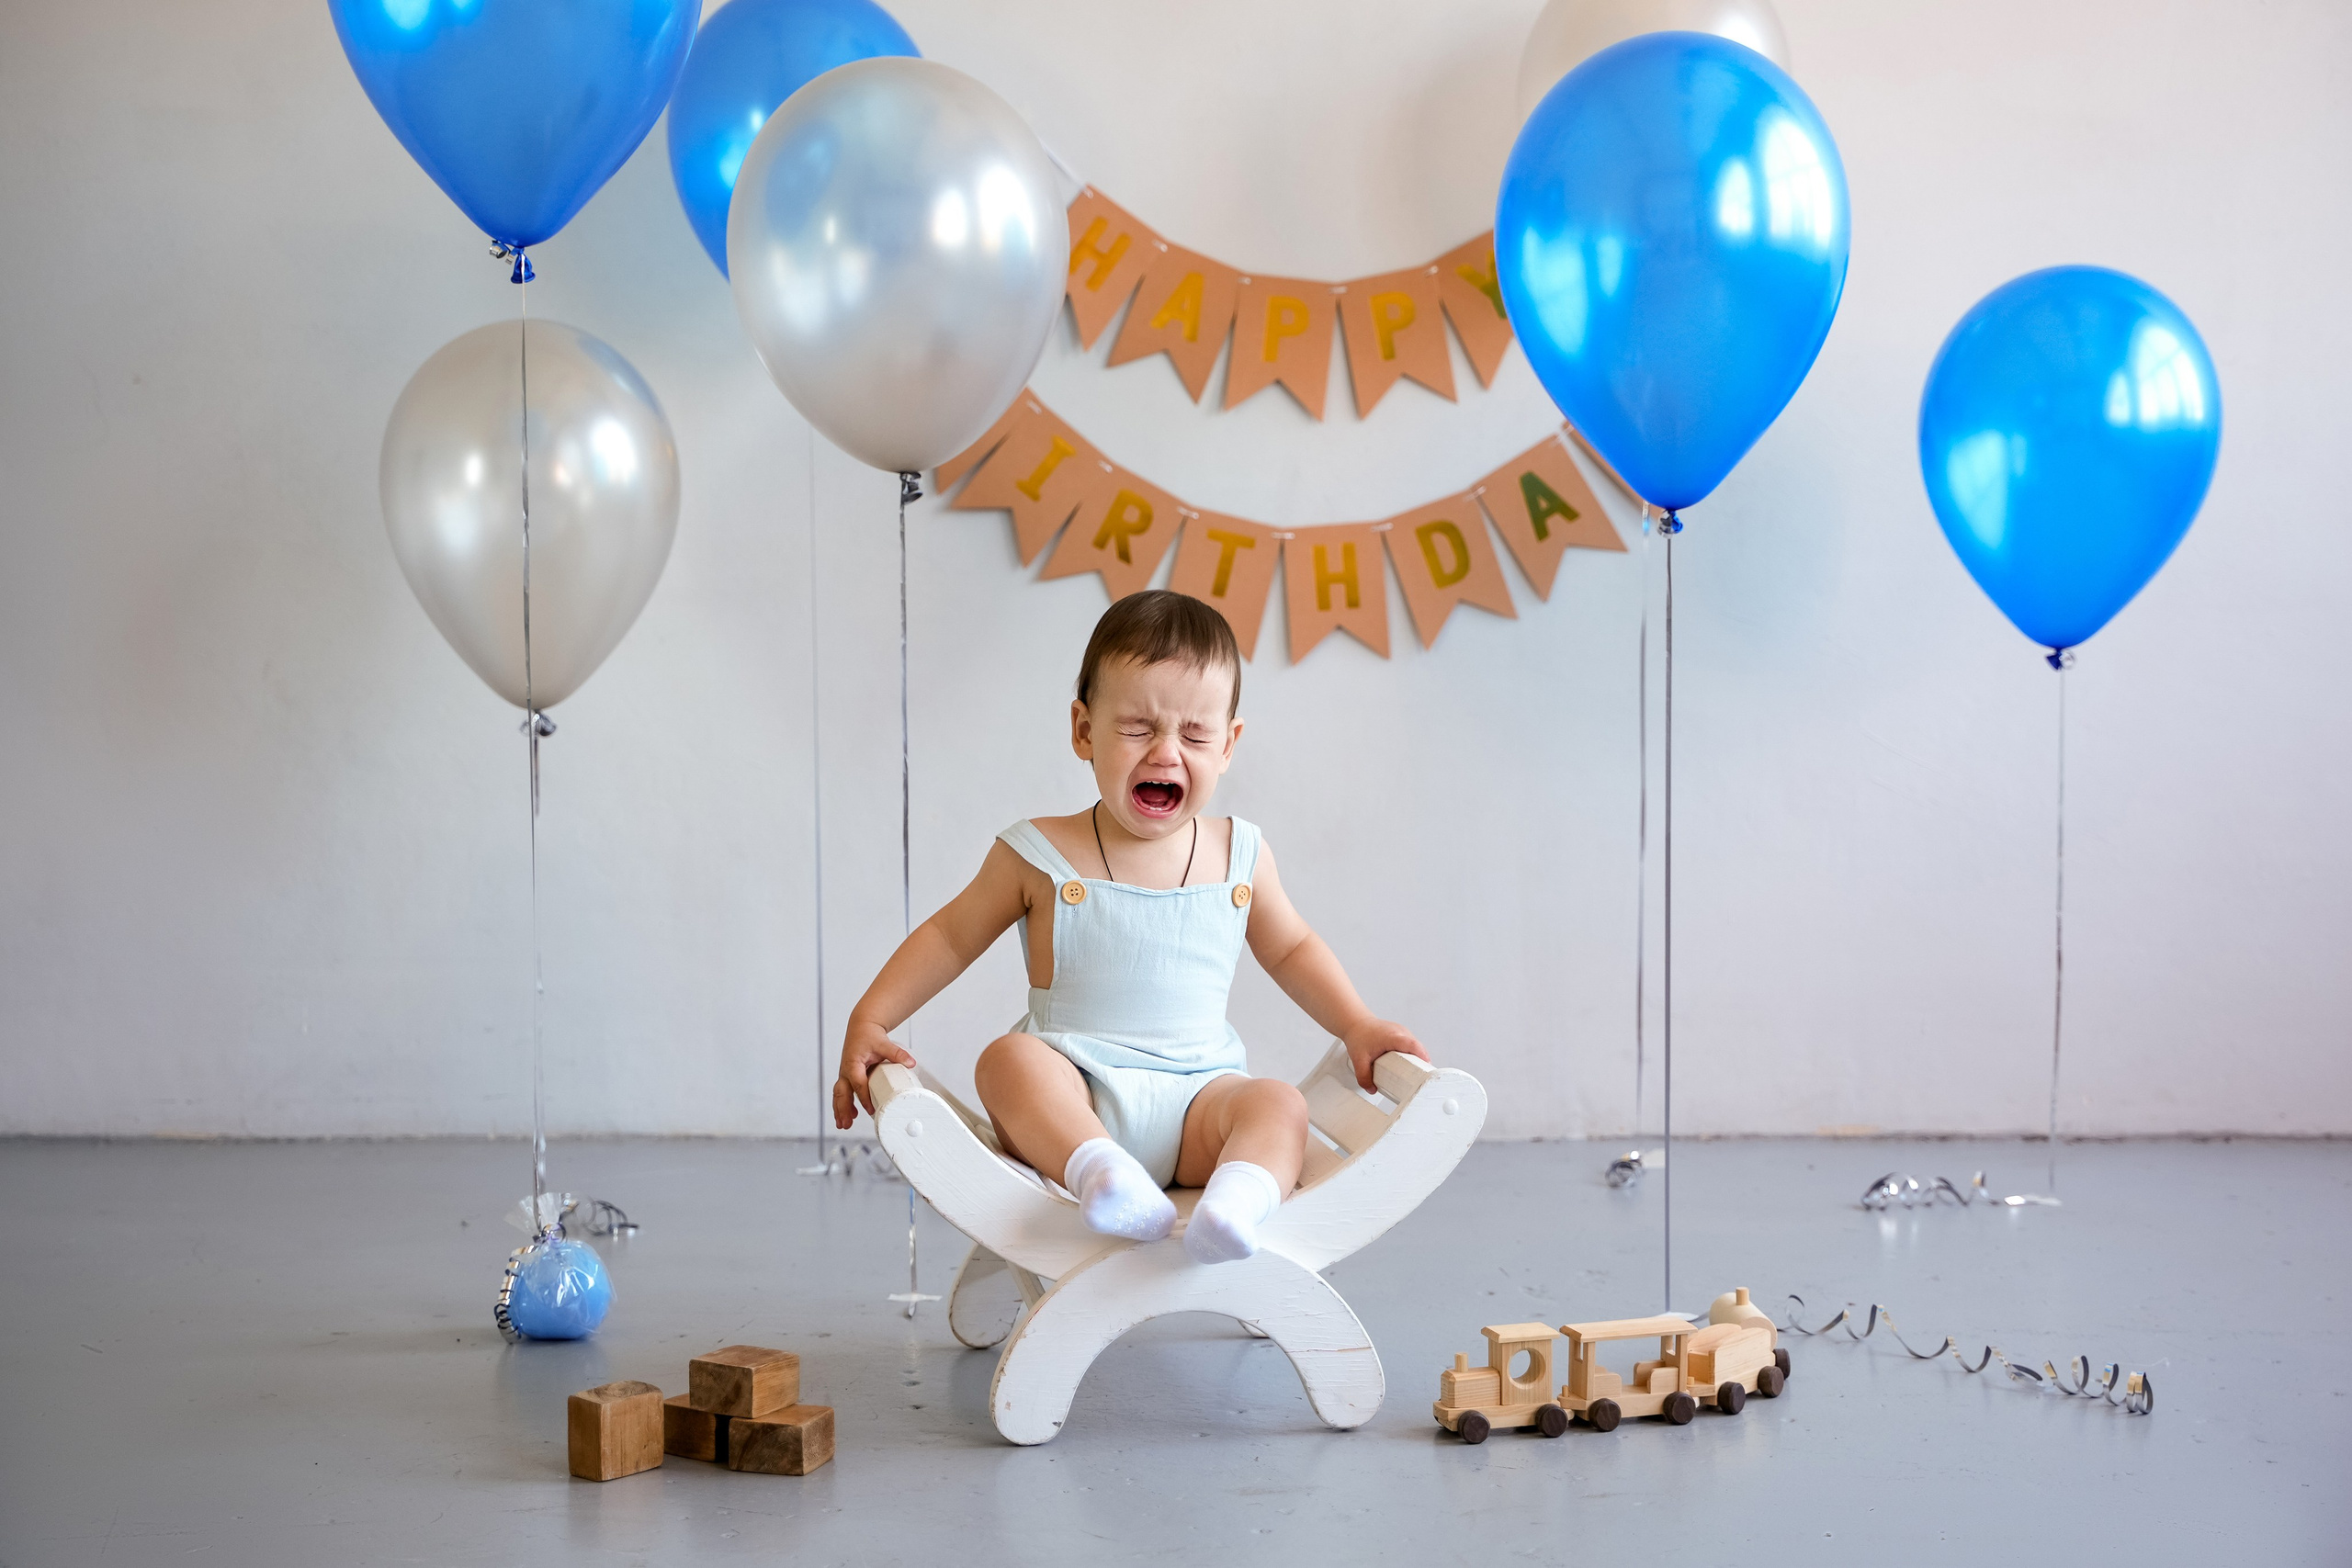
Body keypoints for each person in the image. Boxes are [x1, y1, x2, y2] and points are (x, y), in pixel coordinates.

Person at [832, 589, 1428, 1264]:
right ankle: (1101, 1173)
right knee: (1008, 1061)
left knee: (1278, 1103)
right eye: (1139, 728)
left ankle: (1235, 1203)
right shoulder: (1039, 852)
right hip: (1075, 1090)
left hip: (1199, 1101)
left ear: (1228, 744)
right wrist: (871, 1015)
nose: (1167, 752)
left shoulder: (1241, 854)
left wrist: (1356, 1023)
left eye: (1195, 735)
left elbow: (1291, 947)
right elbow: (949, 935)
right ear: (1085, 730)